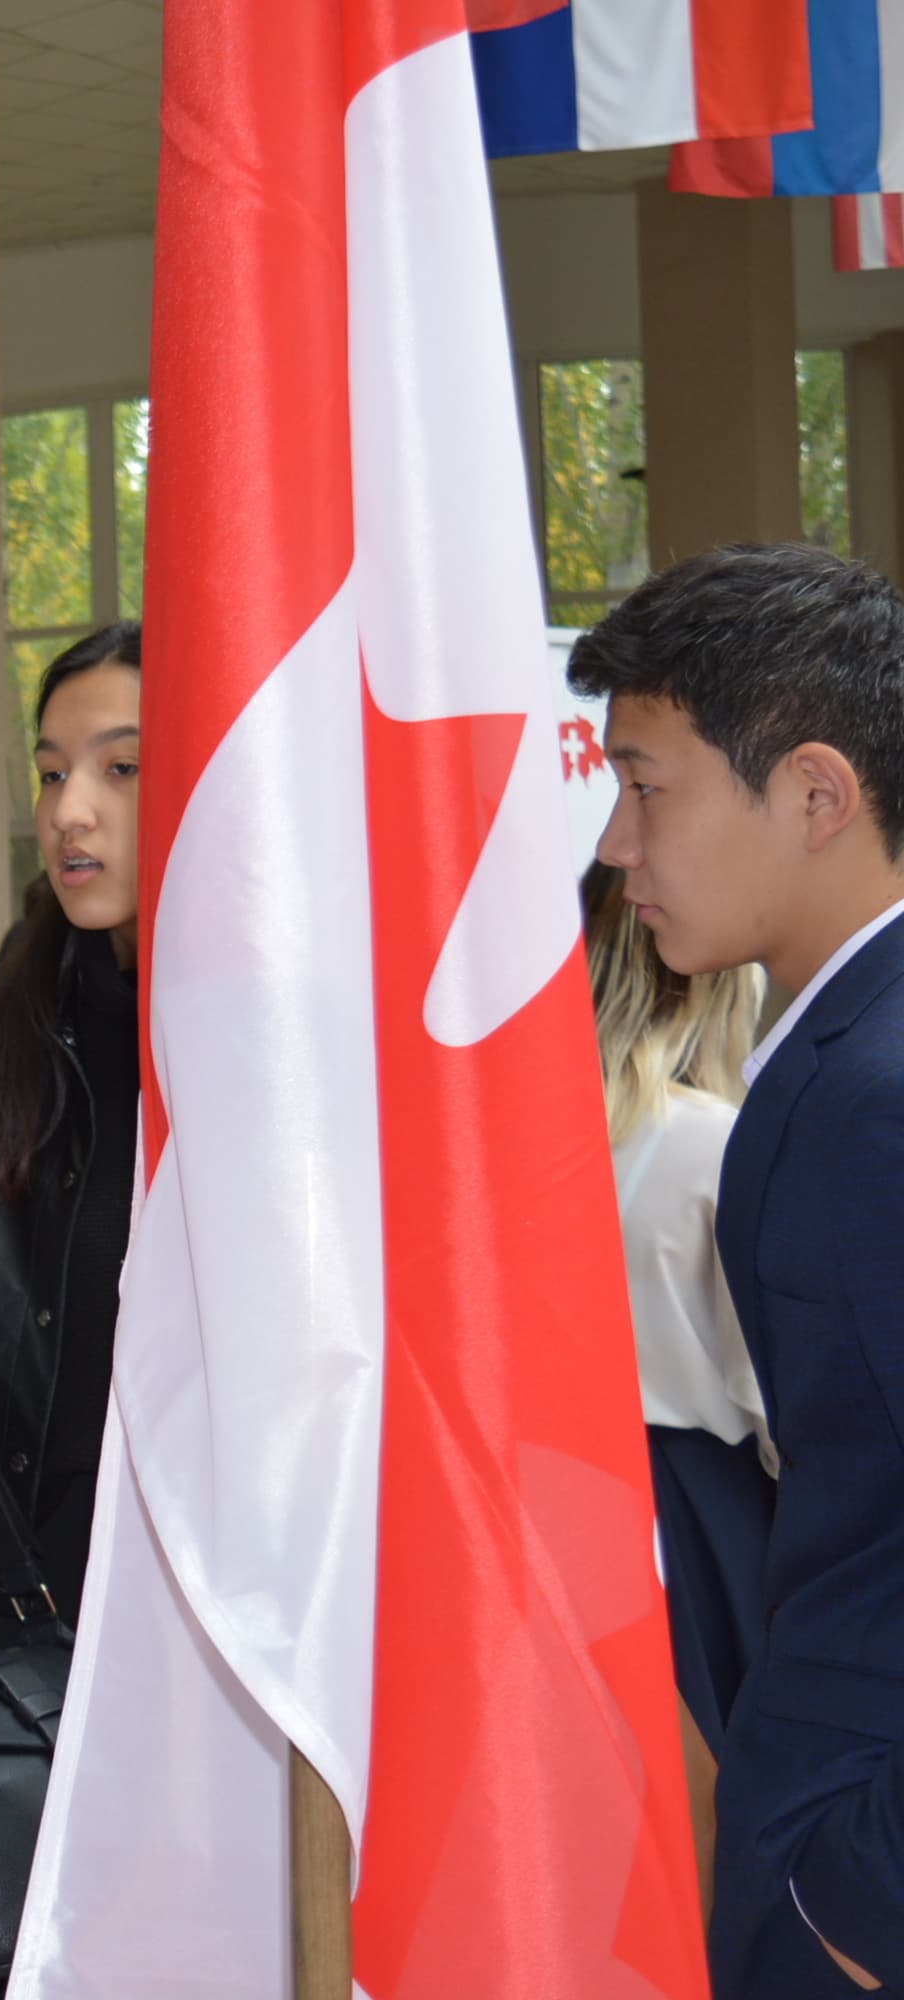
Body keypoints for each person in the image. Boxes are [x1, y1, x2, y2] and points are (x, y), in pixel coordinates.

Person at [574, 540, 904, 1999]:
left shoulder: (875, 1088)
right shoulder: (830, 1058)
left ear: (818, 794)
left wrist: (864, 1889)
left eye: (647, 786)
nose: (615, 844)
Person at [0, 622, 140, 1632]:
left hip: (200, 1621)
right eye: (51, 774)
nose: (68, 811)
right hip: (21, 1619)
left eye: (121, 767)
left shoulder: (266, 1063)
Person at [579, 860, 775, 1909]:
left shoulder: (534, 1141)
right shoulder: (718, 1138)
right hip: (704, 1514)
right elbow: (768, 1383)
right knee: (713, 1848)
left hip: (563, 1501)